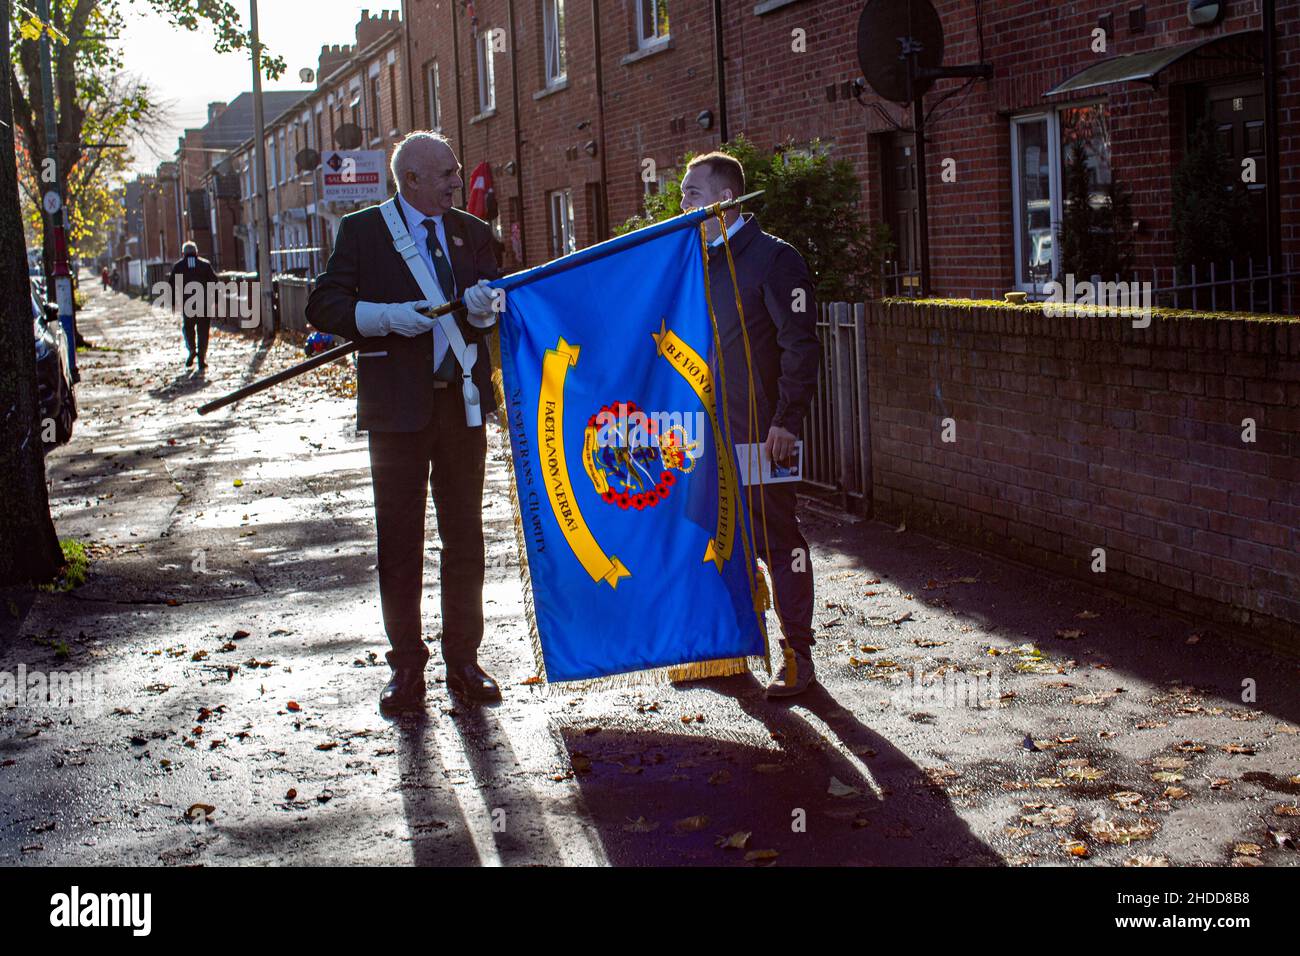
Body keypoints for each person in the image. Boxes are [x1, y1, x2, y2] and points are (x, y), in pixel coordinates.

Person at [306, 131, 502, 713]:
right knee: (400, 543)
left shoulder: (471, 231)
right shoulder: (364, 232)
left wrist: (487, 309)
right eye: (445, 173)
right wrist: (386, 317)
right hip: (397, 413)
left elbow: (496, 303)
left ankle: (464, 660)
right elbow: (324, 305)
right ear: (410, 178)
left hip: (462, 405)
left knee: (464, 537)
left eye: (457, 172)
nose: (455, 182)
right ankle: (407, 667)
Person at [680, 152, 821, 698]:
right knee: (716, 536)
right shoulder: (696, 260)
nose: (682, 203)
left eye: (691, 193)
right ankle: (729, 647)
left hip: (763, 432)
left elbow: (800, 345)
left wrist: (788, 421)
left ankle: (797, 656)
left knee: (776, 538)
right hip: (705, 435)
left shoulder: (773, 259)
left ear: (722, 200)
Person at [168, 240, 219, 372]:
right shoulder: (205, 265)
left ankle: (192, 349)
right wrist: (217, 300)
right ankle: (201, 358)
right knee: (203, 331)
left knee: (188, 328)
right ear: (196, 252)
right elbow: (215, 283)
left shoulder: (178, 266)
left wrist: (173, 302)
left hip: (187, 304)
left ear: (183, 253)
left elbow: (171, 285)